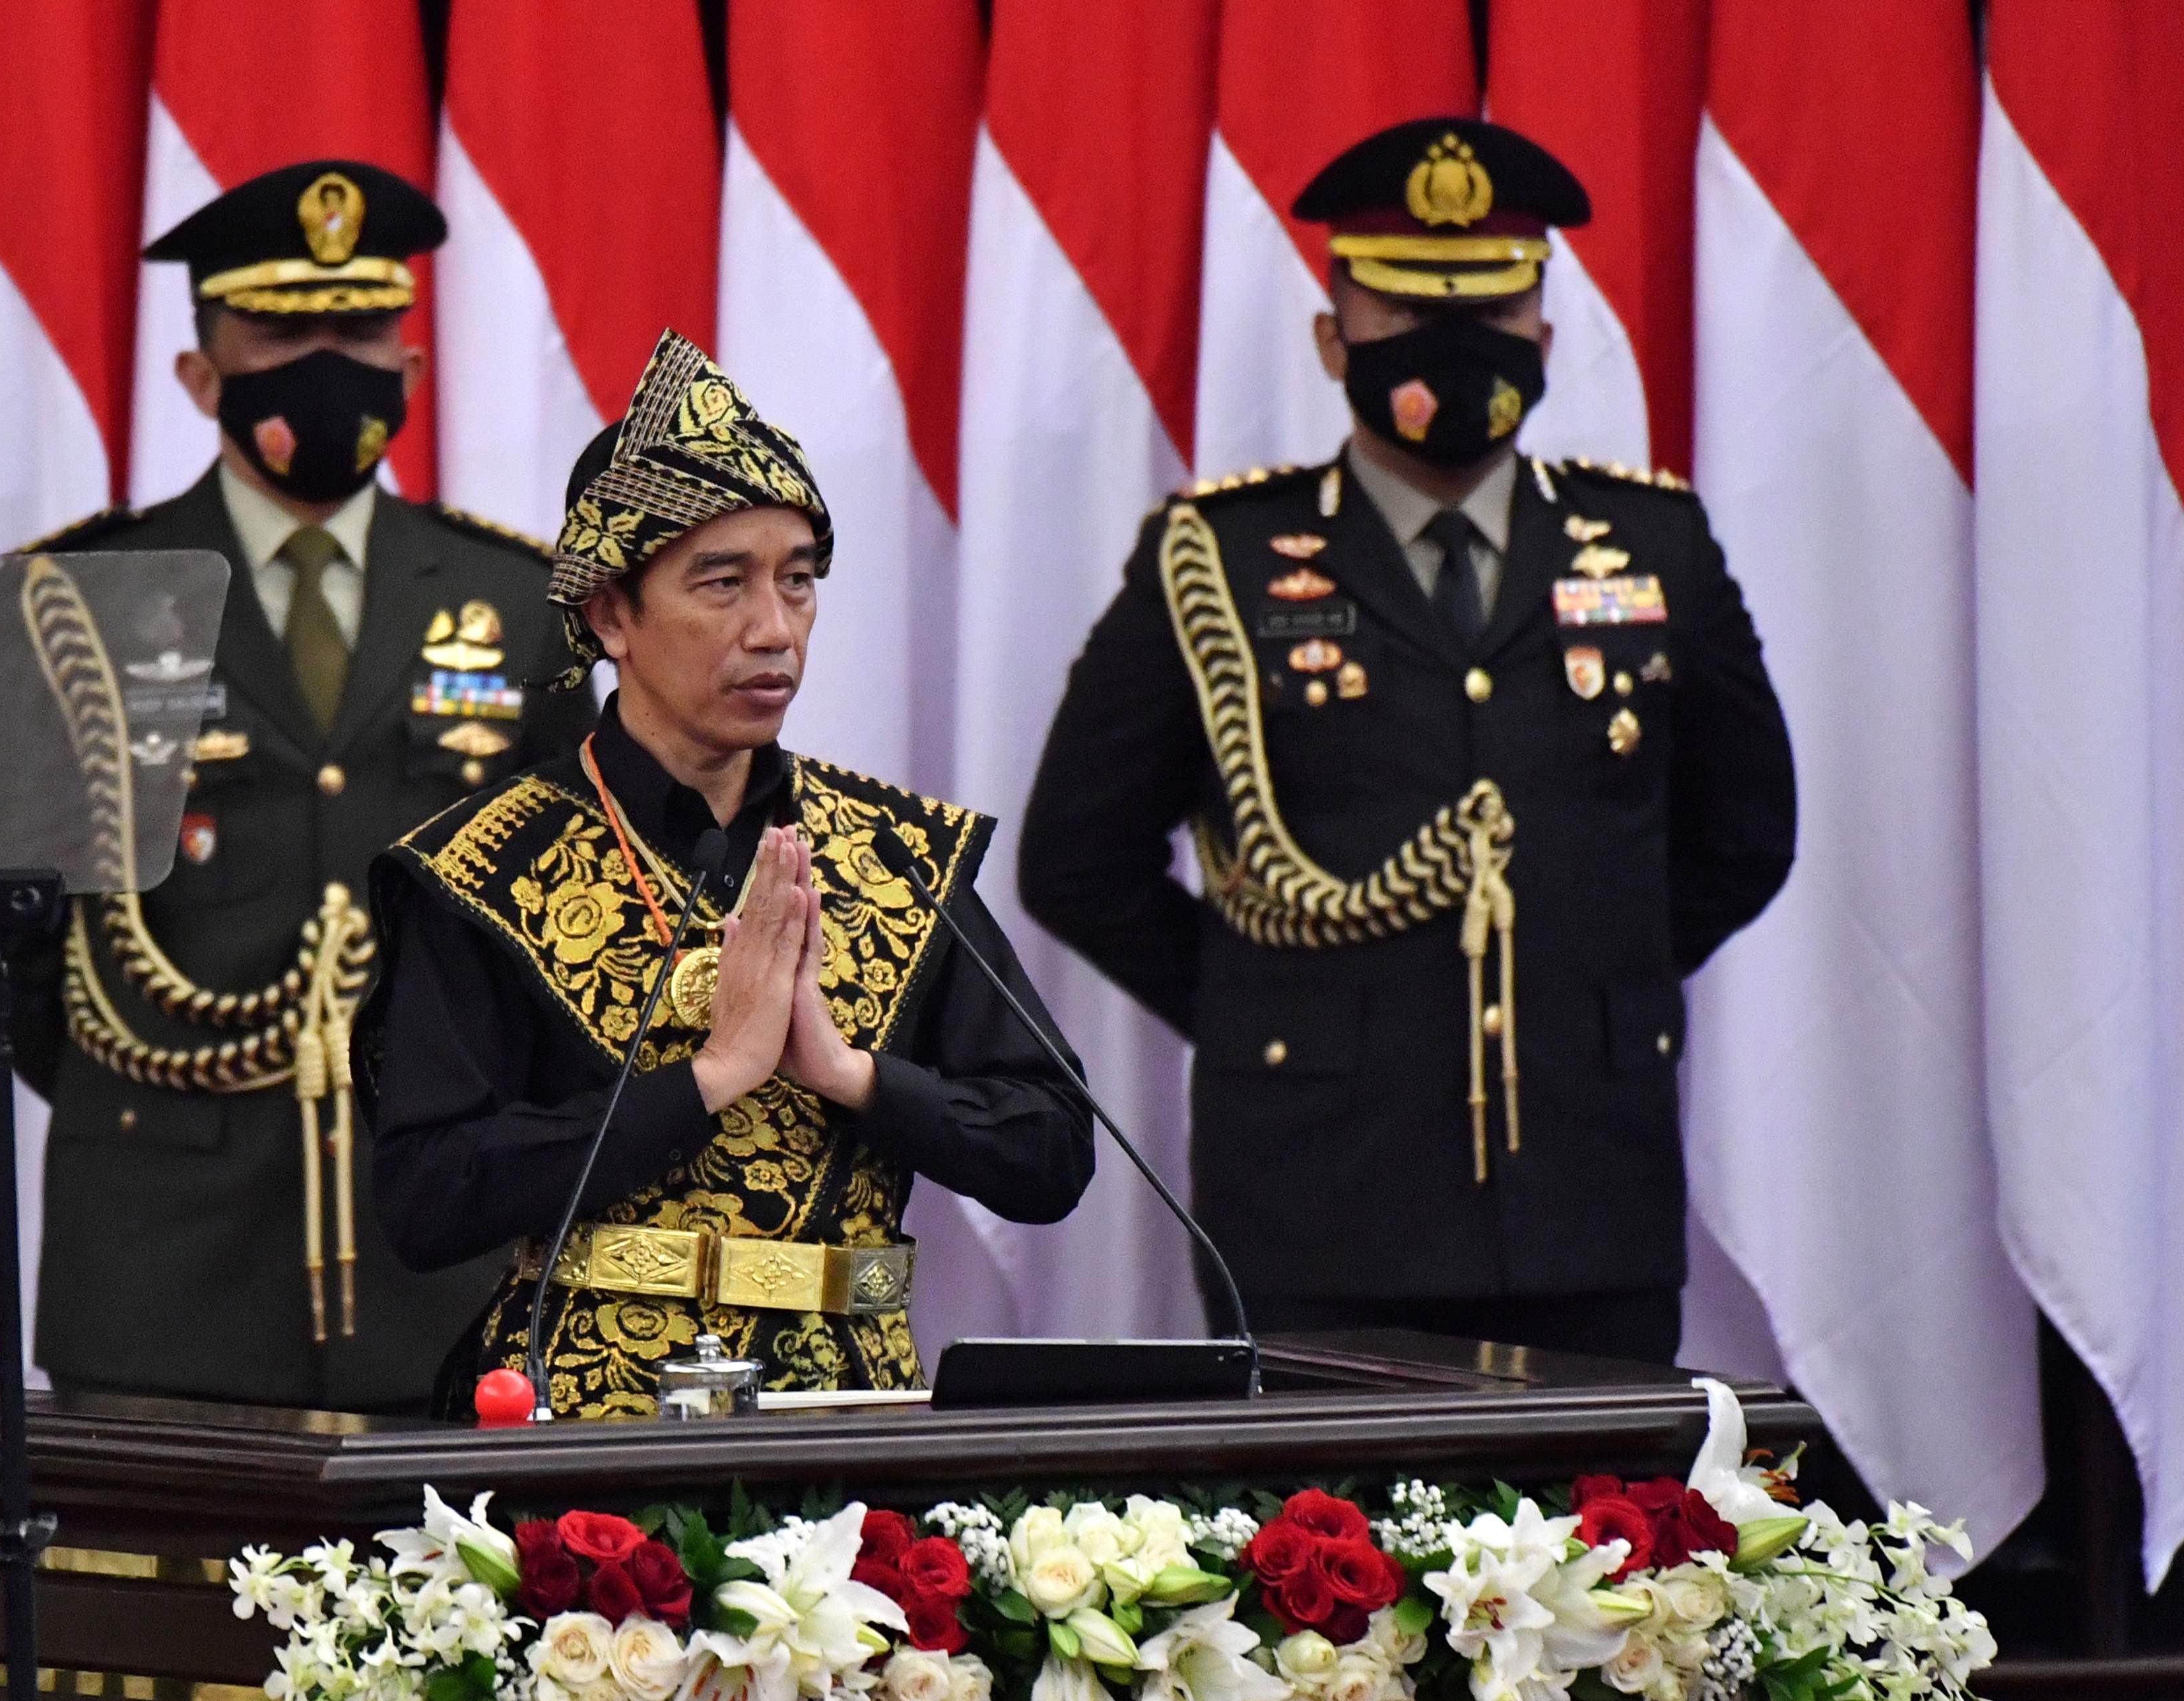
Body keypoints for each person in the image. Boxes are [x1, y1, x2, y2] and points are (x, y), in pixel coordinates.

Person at [1017, 119, 1795, 1365]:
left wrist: (1590, 973)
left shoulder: (1654, 548)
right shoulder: (1216, 560)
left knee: (1616, 1549)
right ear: (1333, 338)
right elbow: (1074, 857)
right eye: (1404, 311)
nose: (1455, 346)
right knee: (1328, 1551)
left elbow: (1747, 832)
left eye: (1493, 314)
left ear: (1543, 339)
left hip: (1587, 1192)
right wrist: (1272, 1003)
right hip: (1319, 1200)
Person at [0, 160, 590, 1409]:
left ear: (410, 364)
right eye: (282, 330)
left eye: (360, 329)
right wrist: (173, 1086)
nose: (325, 358)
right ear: (200, 371)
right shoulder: (75, 600)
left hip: (446, 1265)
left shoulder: (519, 602)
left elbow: (573, 912)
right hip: (165, 1263)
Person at [354, 331, 1095, 1418]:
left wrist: (852, 1075)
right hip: (586, 1422)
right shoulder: (487, 867)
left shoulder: (890, 852)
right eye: (722, 582)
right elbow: (429, 1198)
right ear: (611, 613)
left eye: (798, 584)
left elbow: (1054, 1147)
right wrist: (704, 1081)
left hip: (860, 1418)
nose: (774, 630)